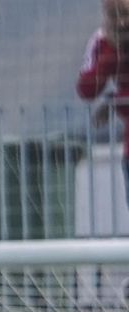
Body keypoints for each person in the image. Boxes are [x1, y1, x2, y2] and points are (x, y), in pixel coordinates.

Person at [78, 0, 129, 209]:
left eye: (125, 14)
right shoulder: (102, 41)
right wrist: (112, 52)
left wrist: (114, 102)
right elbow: (86, 90)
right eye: (113, 15)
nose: (121, 23)